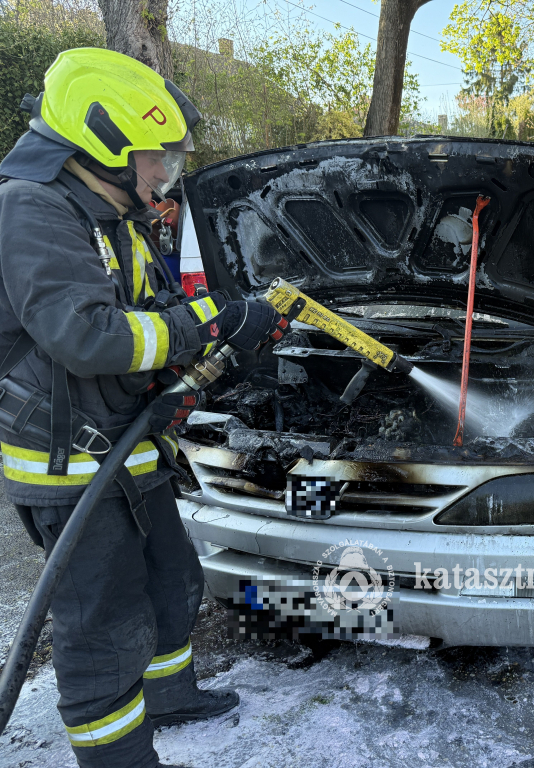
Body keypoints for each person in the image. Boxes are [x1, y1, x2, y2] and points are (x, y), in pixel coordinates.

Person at [0, 48, 287, 768]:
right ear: (103, 145)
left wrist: (223, 319)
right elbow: (91, 335)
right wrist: (212, 328)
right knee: (103, 625)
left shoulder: (107, 211)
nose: (164, 174)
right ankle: (118, 757)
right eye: (155, 158)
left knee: (171, 577)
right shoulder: (31, 210)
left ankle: (169, 696)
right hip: (68, 462)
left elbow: (145, 313)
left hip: (126, 441)